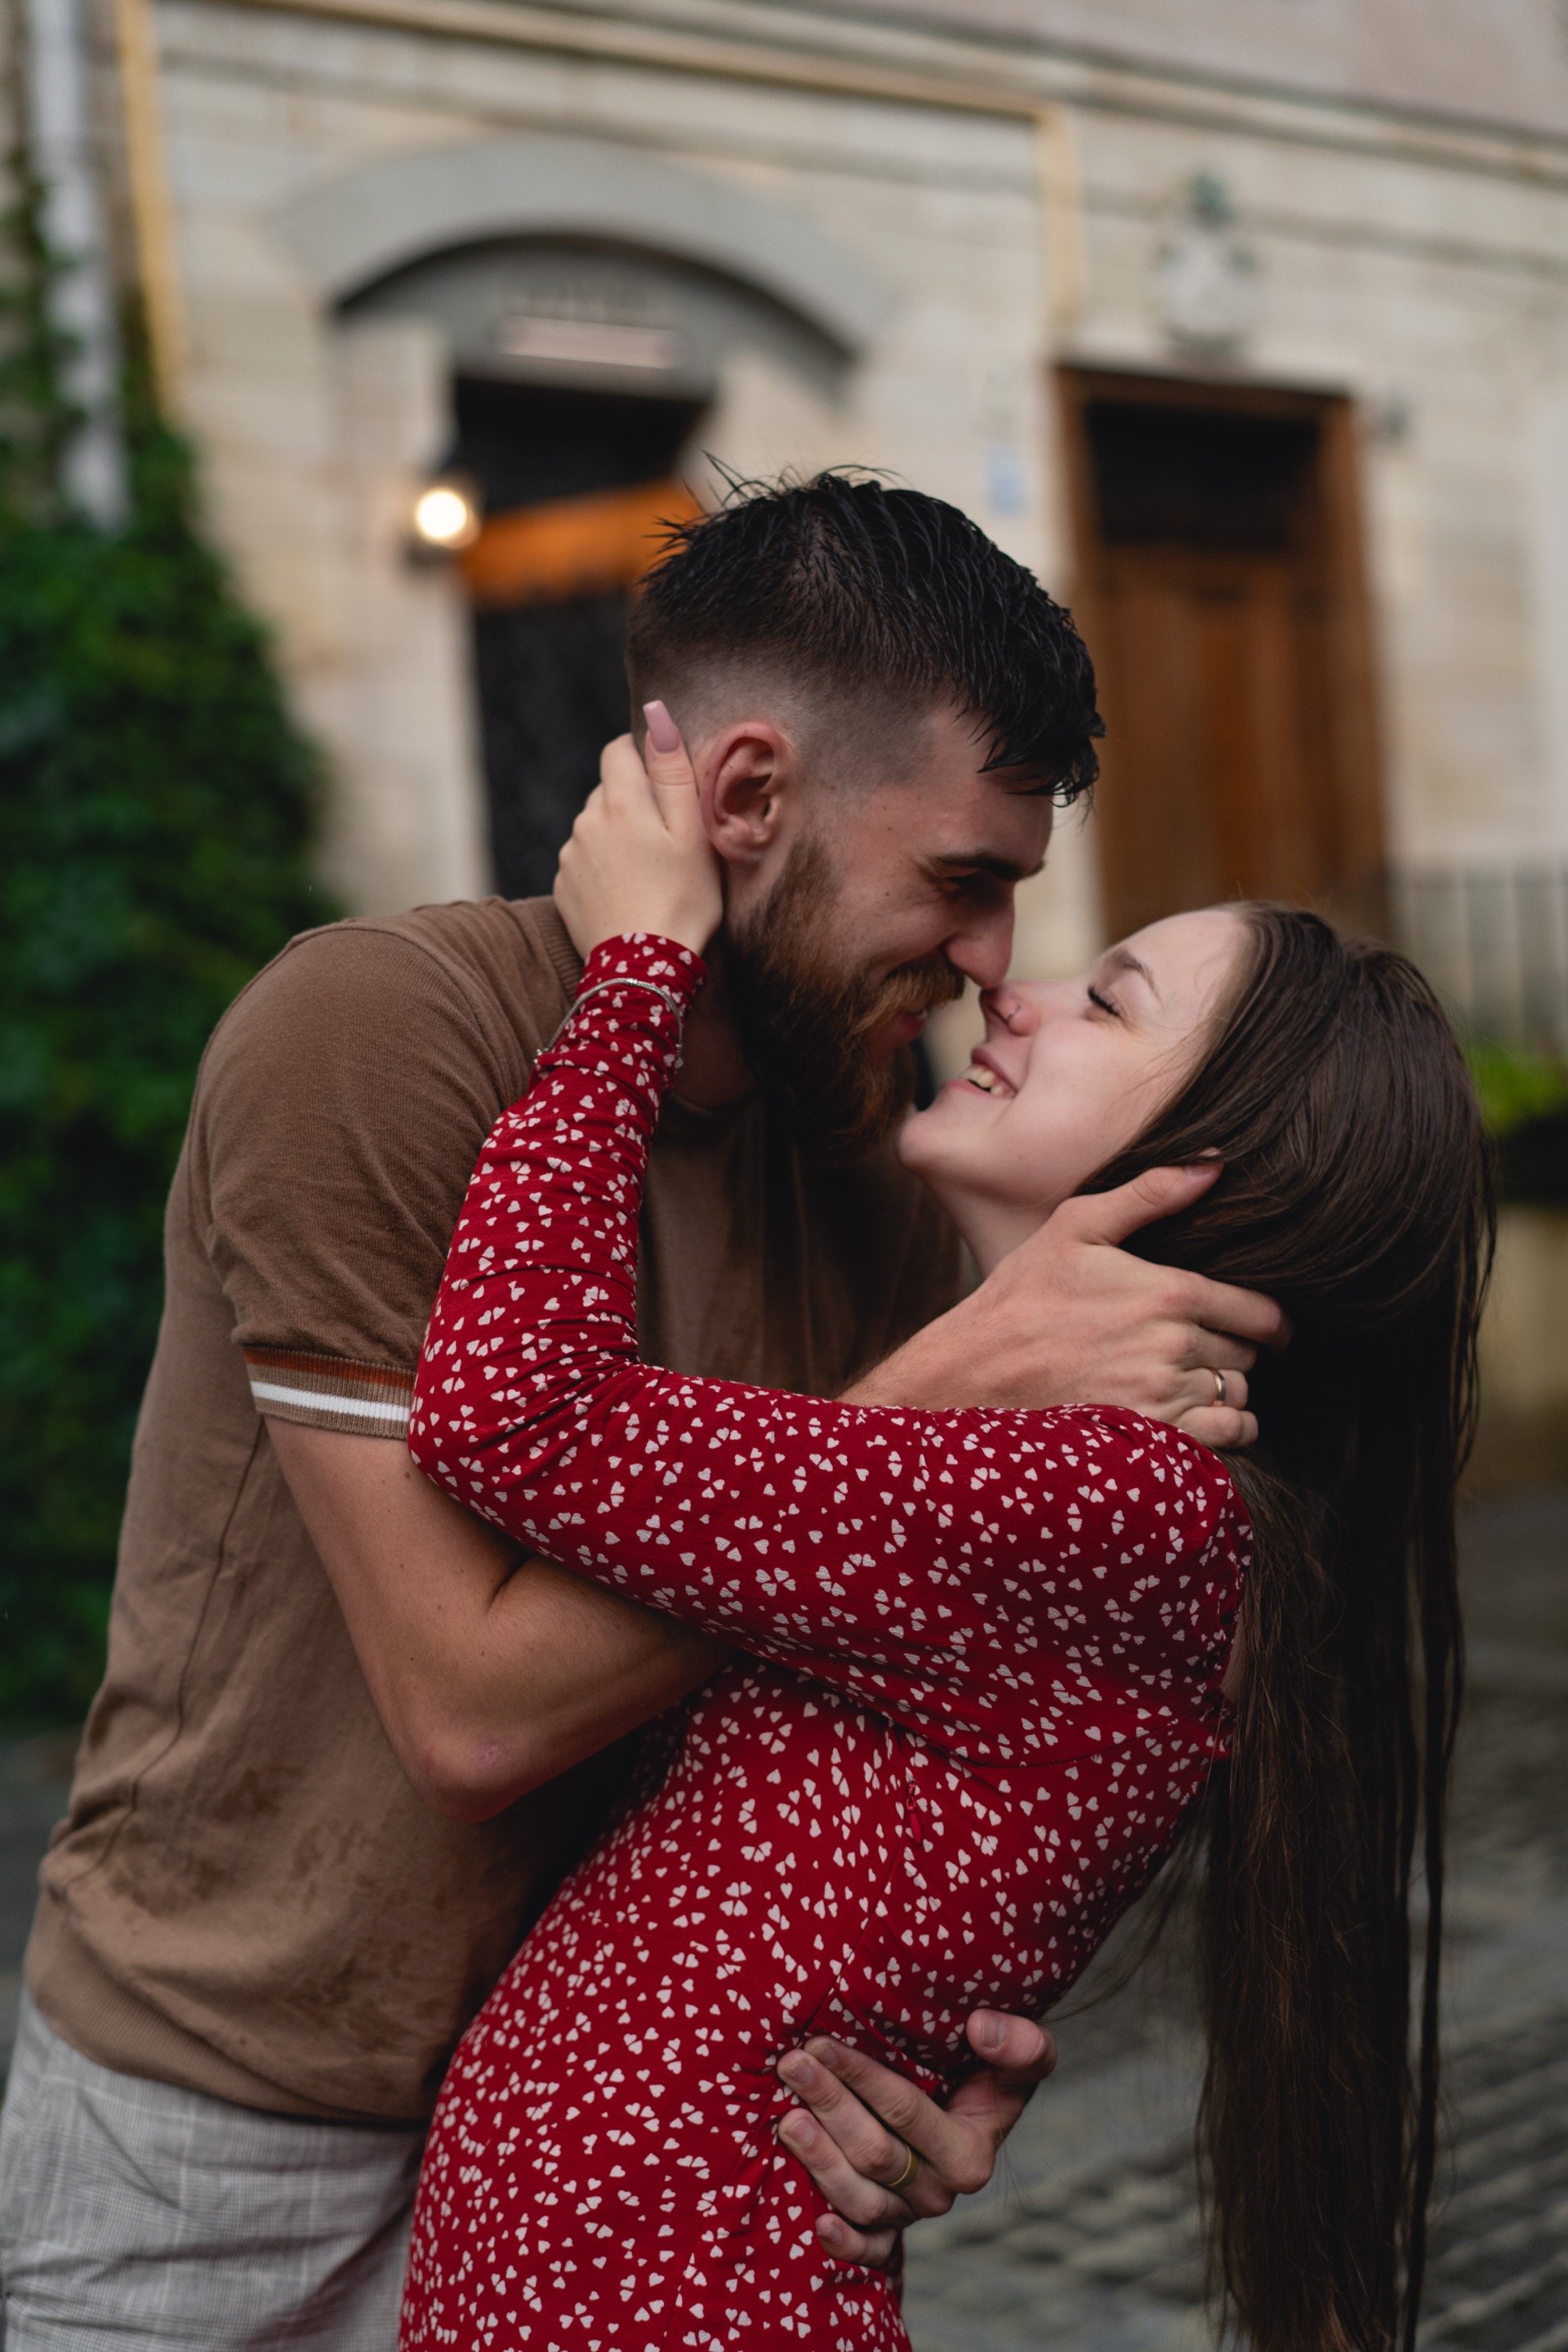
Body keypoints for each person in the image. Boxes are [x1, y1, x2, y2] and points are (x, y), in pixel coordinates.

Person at [0, 475, 1276, 2351]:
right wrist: (939, 1388)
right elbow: (468, 1709)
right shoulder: (375, 1036)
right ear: (745, 800)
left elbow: (920, 1691)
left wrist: (953, 2049)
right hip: (224, 2139)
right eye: (964, 882)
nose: (994, 959)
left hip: (625, 2164)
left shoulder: (873, 1159)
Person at [396, 715, 1490, 2352]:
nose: (1012, 989)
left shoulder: (1120, 1502)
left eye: (1106, 997)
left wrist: (633, 968)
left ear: (1207, 1177)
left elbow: (517, 1415)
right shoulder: (1092, 1476)